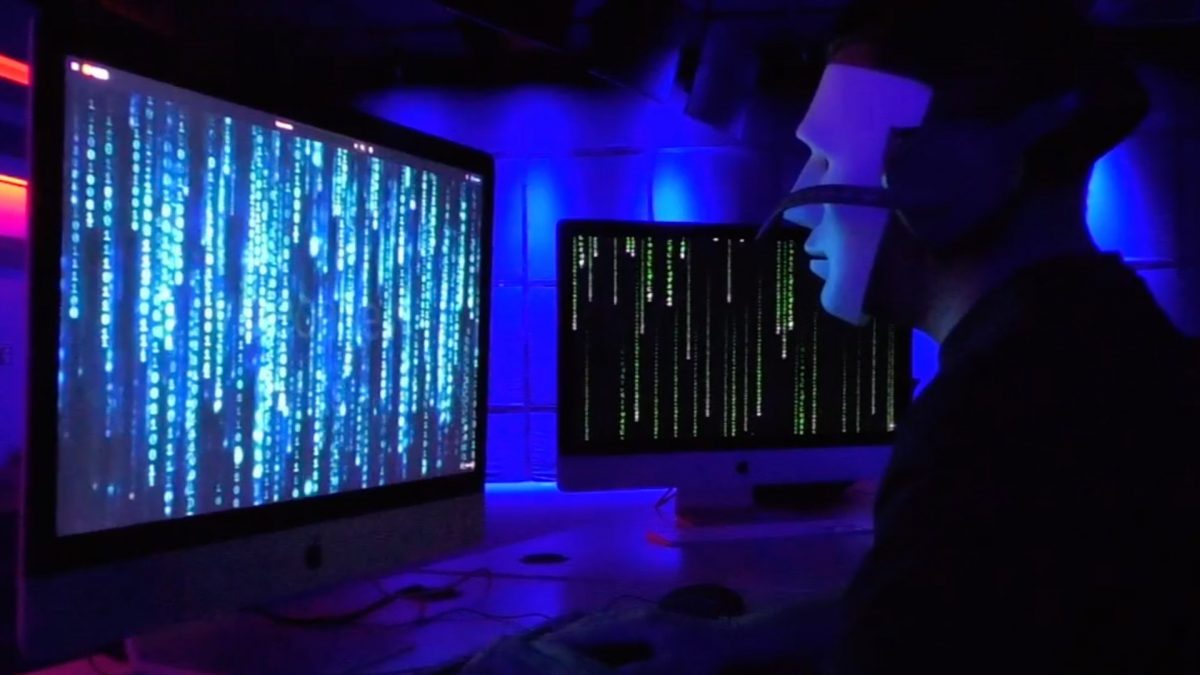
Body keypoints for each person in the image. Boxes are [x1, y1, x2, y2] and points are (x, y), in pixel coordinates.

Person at [464, 0, 1200, 672]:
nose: (797, 207)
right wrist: (730, 640)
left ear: (942, 166)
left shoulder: (995, 419)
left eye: (828, 154)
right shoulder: (1096, 344)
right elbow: (946, 619)